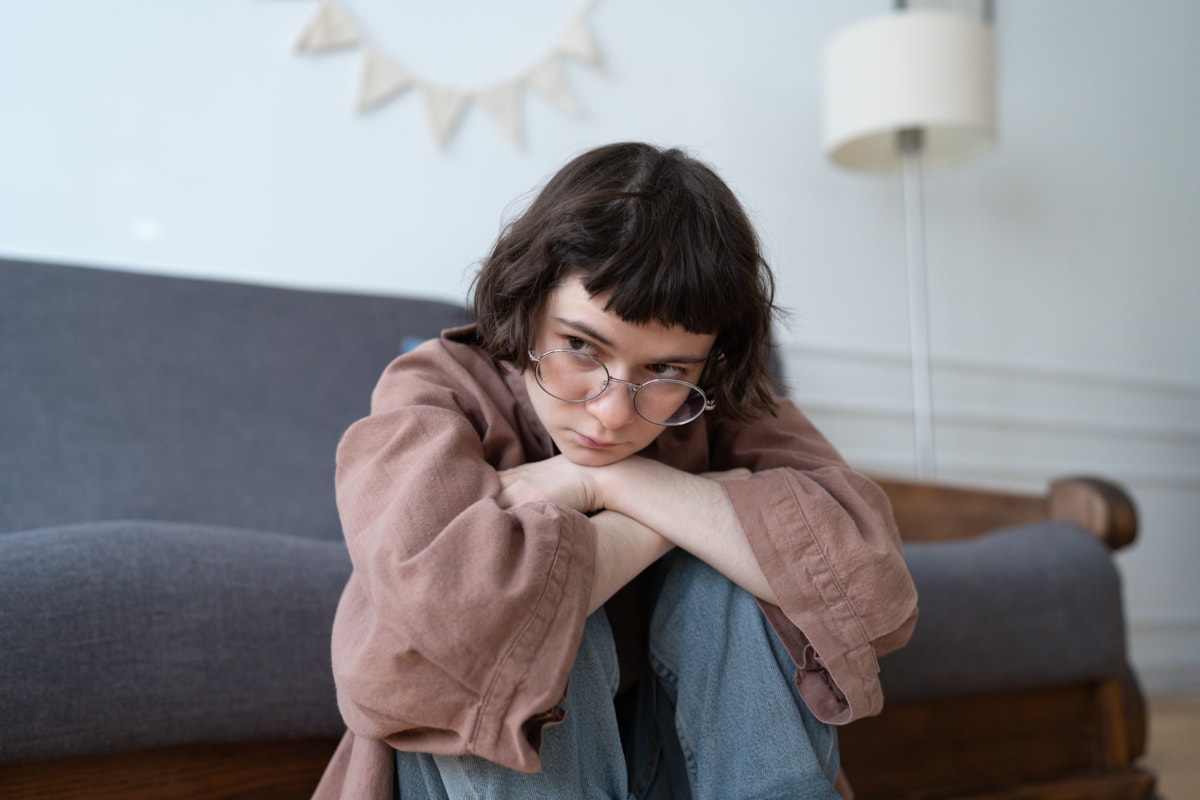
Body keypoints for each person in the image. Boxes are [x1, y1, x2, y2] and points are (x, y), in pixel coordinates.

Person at [312, 142, 918, 800]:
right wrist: (688, 512)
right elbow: (454, 622)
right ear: (529, 299)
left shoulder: (726, 407)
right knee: (547, 594)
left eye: (665, 371)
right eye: (579, 346)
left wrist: (612, 484)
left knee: (745, 565)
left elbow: (872, 595)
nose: (610, 413)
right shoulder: (436, 388)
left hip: (685, 771)